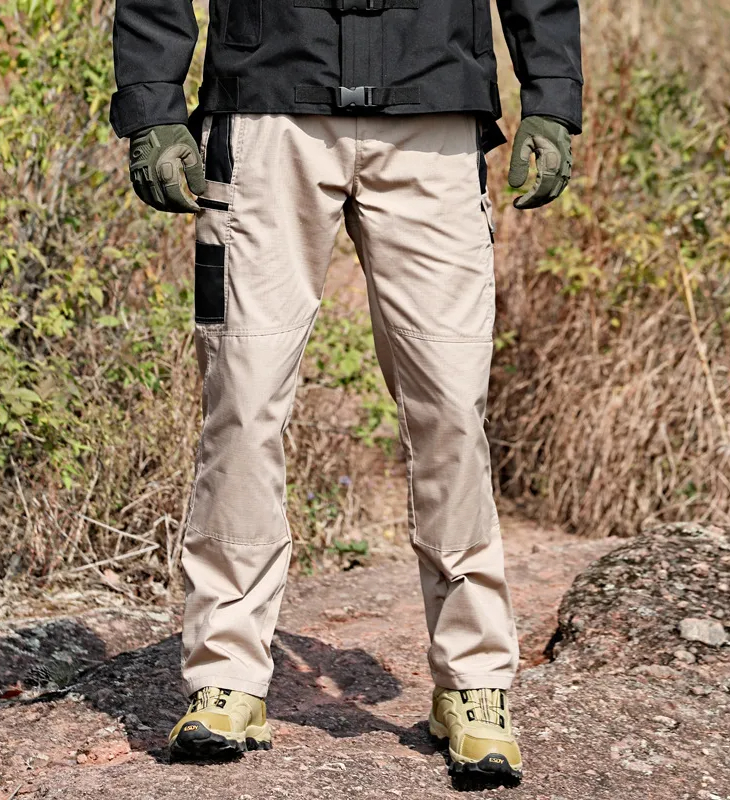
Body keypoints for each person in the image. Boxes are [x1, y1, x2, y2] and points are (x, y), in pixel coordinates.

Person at [110, 0, 581, 787]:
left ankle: (474, 684)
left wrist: (553, 95)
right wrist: (151, 106)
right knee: (242, 400)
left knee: (451, 411)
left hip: (434, 112)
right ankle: (225, 674)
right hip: (266, 111)